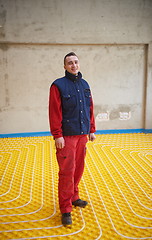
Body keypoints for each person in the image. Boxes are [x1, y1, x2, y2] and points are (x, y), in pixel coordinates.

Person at [49, 52, 96, 226]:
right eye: (70, 63)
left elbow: (89, 108)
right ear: (65, 66)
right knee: (66, 172)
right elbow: (54, 112)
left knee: (78, 169)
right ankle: (65, 208)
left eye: (76, 62)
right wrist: (57, 135)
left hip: (82, 135)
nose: (73, 65)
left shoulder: (84, 85)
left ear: (79, 64)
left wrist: (91, 130)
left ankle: (74, 197)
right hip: (66, 137)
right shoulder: (58, 85)